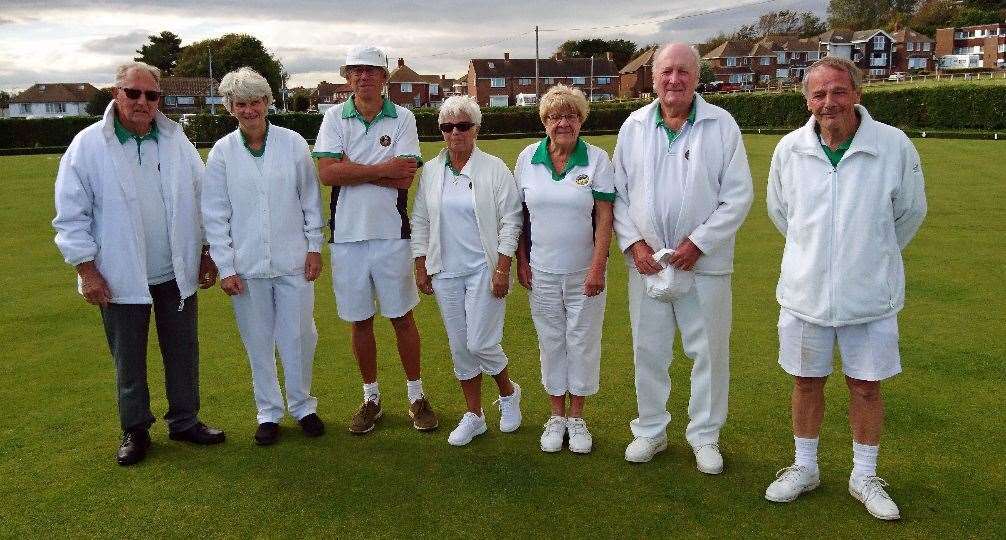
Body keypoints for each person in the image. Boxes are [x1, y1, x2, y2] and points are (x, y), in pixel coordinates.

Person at [764, 57, 926, 521]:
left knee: (867, 387)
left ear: (856, 92)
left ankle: (864, 475)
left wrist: (869, 255)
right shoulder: (789, 149)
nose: (828, 103)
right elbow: (783, 215)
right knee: (805, 381)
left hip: (869, 296)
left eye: (838, 91)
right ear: (807, 100)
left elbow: (909, 214)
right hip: (803, 293)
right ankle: (805, 467)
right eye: (818, 94)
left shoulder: (893, 146)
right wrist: (814, 257)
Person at [53, 61, 225, 466]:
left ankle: (185, 420)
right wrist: (86, 270)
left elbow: (202, 200)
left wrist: (206, 251)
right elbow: (70, 215)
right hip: (120, 276)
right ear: (117, 94)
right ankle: (135, 429)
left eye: (151, 95)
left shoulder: (175, 140)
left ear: (159, 99)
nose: (142, 102)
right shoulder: (87, 145)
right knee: (128, 358)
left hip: (174, 272)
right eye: (133, 93)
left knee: (183, 351)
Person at [612, 43, 753, 473]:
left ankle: (705, 437)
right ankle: (650, 431)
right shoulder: (633, 126)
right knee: (649, 351)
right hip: (648, 264)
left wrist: (700, 243)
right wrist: (634, 244)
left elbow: (737, 196)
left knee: (708, 353)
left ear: (697, 78)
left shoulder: (722, 125)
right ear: (653, 78)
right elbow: (617, 194)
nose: (674, 80)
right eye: (667, 72)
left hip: (704, 265)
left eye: (683, 73)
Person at [313, 45, 437, 434]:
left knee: (402, 317)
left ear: (384, 77)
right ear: (348, 77)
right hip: (347, 237)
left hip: (392, 235)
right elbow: (327, 174)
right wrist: (381, 168)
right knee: (360, 322)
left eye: (371, 70)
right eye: (356, 71)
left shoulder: (402, 117)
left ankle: (416, 395)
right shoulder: (334, 116)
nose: (363, 77)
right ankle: (372, 399)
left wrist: (352, 168)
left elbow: (404, 177)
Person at [202, 67, 325, 446]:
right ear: (230, 108)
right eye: (241, 103)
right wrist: (226, 266)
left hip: (293, 261)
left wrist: (314, 247)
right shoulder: (222, 152)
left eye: (256, 101)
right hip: (247, 266)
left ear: (268, 102)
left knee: (300, 336)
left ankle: (303, 405)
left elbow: (310, 200)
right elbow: (215, 214)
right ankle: (268, 412)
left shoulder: (292, 144)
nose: (250, 109)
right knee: (258, 340)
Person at [411, 95, 523, 446]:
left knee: (480, 341)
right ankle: (474, 415)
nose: (455, 133)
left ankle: (508, 394)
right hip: (445, 271)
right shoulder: (430, 171)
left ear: (476, 129)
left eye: (463, 126)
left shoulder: (493, 169)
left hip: (484, 270)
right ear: (441, 131)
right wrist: (420, 264)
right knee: (461, 347)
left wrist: (503, 267)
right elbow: (420, 221)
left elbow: (511, 219)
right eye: (448, 127)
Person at [514, 85, 615, 454]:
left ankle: (577, 417)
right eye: (555, 117)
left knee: (582, 342)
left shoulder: (597, 160)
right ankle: (555, 417)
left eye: (571, 116)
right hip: (541, 271)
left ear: (581, 120)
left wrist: (597, 267)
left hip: (583, 272)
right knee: (551, 341)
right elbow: (520, 215)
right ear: (544, 122)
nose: (563, 123)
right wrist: (522, 261)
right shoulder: (527, 158)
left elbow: (605, 218)